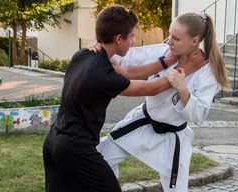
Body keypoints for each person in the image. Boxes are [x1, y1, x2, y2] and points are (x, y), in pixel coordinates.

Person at [42, 5, 206, 192]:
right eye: (132, 37)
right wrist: (186, 69)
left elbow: (129, 72)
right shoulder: (104, 76)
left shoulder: (83, 55)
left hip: (52, 142)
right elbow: (151, 88)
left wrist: (165, 62)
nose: (134, 42)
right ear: (118, 39)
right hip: (76, 150)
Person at [94, 12, 230, 192]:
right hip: (142, 123)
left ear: (194, 41)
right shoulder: (164, 52)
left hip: (172, 139)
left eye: (176, 38)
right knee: (100, 157)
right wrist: (100, 46)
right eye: (170, 35)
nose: (169, 41)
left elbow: (199, 114)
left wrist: (182, 88)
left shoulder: (207, 71)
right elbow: (124, 58)